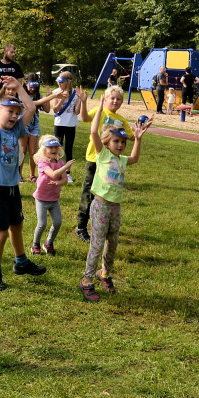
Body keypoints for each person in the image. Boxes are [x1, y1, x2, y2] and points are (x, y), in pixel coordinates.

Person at [0, 76, 47, 291]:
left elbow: (31, 108)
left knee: (17, 225)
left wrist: (18, 86)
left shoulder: (16, 129)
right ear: (0, 111)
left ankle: (21, 262)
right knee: (1, 232)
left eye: (17, 113)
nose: (15, 116)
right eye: (10, 111)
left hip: (11, 186)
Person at [79, 111, 151, 302]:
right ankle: (87, 280)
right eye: (116, 141)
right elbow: (93, 131)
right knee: (97, 244)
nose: (120, 145)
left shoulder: (122, 160)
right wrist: (100, 108)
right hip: (100, 206)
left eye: (123, 142)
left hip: (115, 208)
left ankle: (104, 273)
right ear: (107, 142)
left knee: (112, 243)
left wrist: (137, 139)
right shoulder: (102, 155)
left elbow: (135, 158)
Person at [75, 85, 135, 242]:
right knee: (88, 192)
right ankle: (81, 226)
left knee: (105, 193)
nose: (115, 101)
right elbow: (85, 118)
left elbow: (132, 136)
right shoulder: (99, 111)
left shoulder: (121, 120)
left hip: (110, 163)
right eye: (112, 98)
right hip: (94, 159)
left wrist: (141, 129)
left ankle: (100, 224)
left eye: (119, 99)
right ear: (105, 99)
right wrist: (83, 102)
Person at [31, 136, 75, 256]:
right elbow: (54, 174)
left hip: (54, 199)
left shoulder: (60, 163)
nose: (54, 149)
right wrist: (66, 167)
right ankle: (35, 244)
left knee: (58, 222)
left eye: (56, 147)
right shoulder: (43, 163)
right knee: (42, 224)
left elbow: (65, 180)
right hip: (41, 199)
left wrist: (57, 183)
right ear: (44, 150)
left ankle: (49, 243)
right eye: (50, 147)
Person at [49, 72, 84, 182]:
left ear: (68, 82)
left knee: (69, 149)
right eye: (58, 82)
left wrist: (80, 100)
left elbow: (77, 112)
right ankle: (57, 171)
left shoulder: (76, 93)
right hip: (59, 124)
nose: (59, 84)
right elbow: (55, 110)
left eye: (62, 82)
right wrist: (62, 99)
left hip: (71, 124)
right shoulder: (56, 92)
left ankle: (68, 174)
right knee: (56, 148)